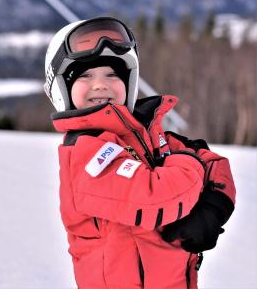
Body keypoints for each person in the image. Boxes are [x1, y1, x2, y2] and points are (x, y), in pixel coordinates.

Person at [44, 16, 236, 289]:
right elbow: (155, 196)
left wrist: (213, 205)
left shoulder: (145, 135)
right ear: (62, 87)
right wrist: (188, 162)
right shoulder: (84, 153)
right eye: (85, 75)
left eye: (112, 74)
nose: (101, 84)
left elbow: (217, 165)